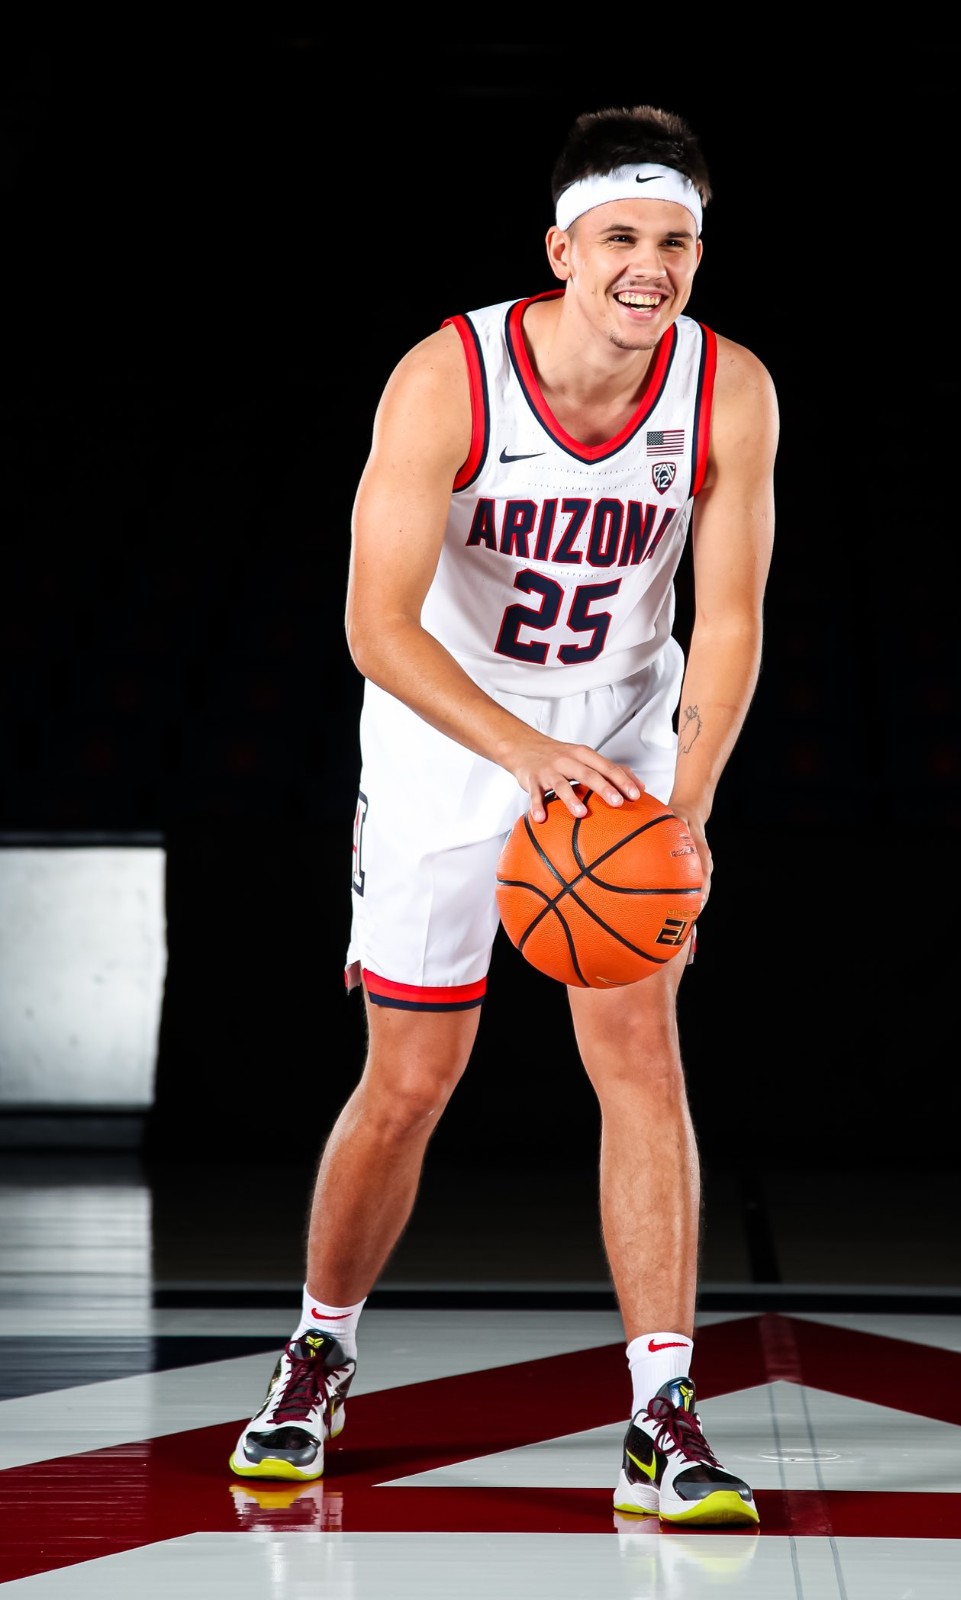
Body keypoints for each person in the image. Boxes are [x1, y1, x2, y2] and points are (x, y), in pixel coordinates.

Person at [229, 103, 778, 1528]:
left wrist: (684, 808)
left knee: (641, 1056)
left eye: (675, 242)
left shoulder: (727, 388)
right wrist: (524, 753)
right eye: (621, 238)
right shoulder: (449, 376)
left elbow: (729, 622)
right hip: (451, 730)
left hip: (622, 730)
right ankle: (316, 1355)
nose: (649, 266)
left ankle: (662, 1412)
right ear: (562, 249)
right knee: (411, 1078)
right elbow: (376, 625)